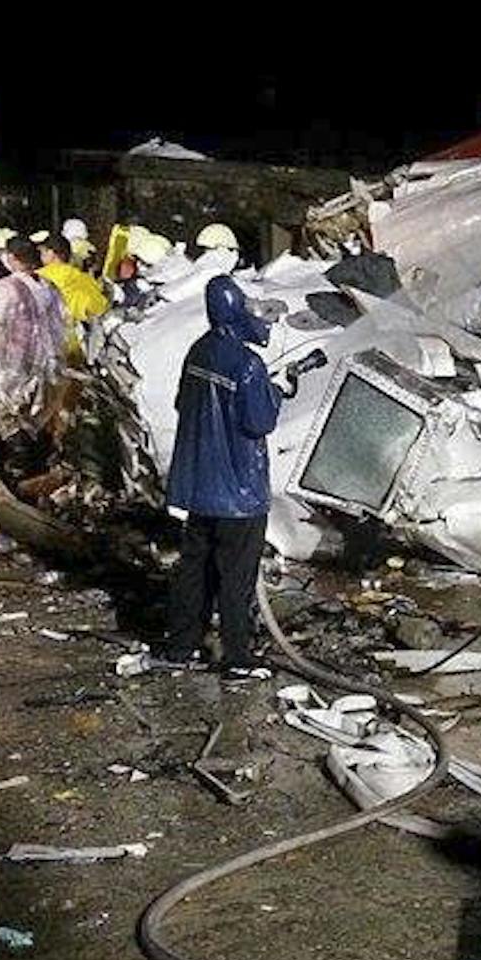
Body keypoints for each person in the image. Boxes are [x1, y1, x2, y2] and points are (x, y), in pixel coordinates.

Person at [161, 274, 286, 674]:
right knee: (236, 578)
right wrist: (276, 393)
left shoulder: (198, 352)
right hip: (240, 495)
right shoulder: (248, 364)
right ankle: (237, 657)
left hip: (200, 492)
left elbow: (185, 403)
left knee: (194, 570)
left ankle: (182, 647)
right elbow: (259, 422)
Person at [0, 240, 67, 469]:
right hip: (46, 366)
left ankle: (17, 467)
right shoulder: (50, 287)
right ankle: (37, 463)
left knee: (9, 417)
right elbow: (61, 326)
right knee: (37, 416)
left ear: (13, 259)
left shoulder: (5, 289)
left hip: (12, 366)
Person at [35, 231, 111, 341]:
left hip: (60, 335)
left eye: (43, 252)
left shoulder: (45, 275)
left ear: (52, 253)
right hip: (91, 333)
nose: (41, 257)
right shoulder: (85, 278)